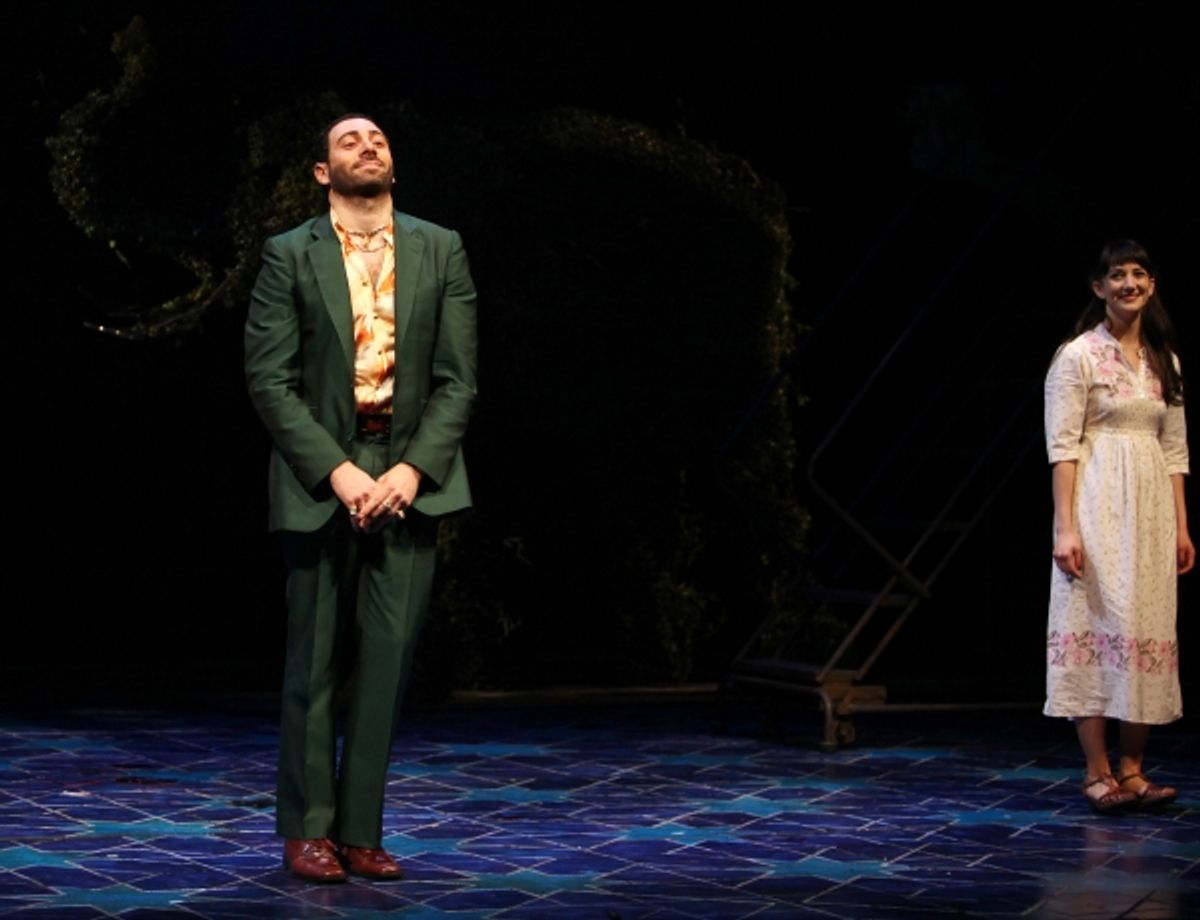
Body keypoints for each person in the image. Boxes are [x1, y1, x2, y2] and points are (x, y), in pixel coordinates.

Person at [245, 113, 477, 881]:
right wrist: (339, 472)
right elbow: (270, 381)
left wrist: (411, 471)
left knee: (387, 660)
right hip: (325, 473)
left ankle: (361, 829)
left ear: (393, 165)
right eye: (349, 141)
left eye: (377, 139)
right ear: (322, 173)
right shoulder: (288, 255)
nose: (368, 146)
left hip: (410, 471)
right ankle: (308, 827)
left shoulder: (440, 247)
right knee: (312, 660)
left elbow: (457, 379)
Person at [1044, 239, 1193, 814]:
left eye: (1138, 274)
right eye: (1116, 275)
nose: (1128, 283)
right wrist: (1066, 527)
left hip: (1152, 513)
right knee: (1094, 624)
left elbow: (1176, 449)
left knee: (1145, 627)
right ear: (1098, 287)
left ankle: (1133, 770)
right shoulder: (1078, 355)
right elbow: (1062, 446)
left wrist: (1181, 526)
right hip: (1098, 505)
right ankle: (1097, 771)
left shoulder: (1165, 360)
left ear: (1151, 284)